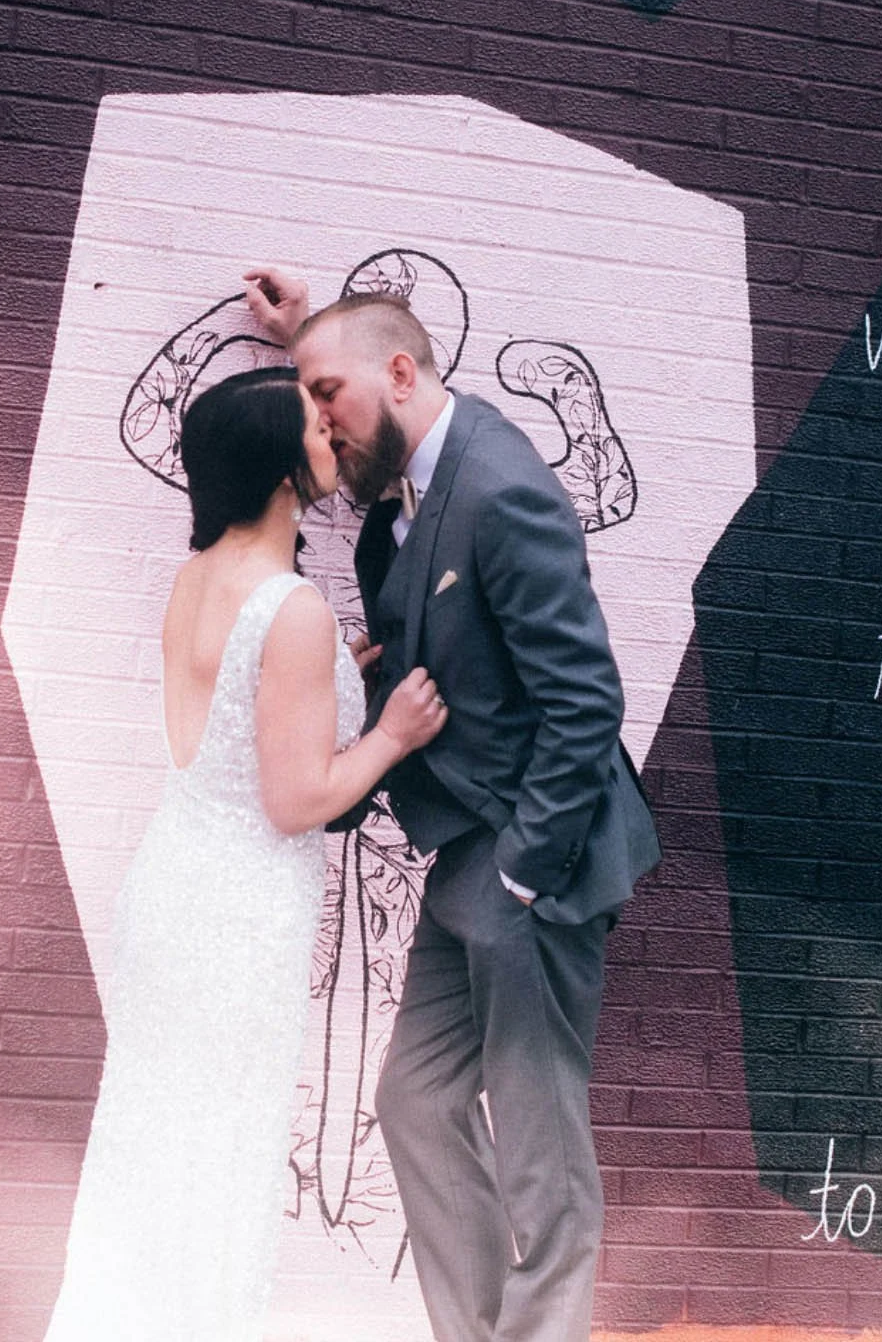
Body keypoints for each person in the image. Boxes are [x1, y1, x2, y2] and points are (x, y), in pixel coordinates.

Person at [244, 268, 661, 1342]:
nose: (320, 422)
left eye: (326, 393)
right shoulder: (418, 469)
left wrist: (526, 868)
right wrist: (303, 340)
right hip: (469, 856)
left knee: (538, 1146)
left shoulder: (500, 485)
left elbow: (586, 700)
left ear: (398, 372)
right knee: (418, 1103)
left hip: (534, 861)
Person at [43, 364, 450, 1342]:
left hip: (175, 882)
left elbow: (242, 718)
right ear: (279, 467)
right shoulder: (292, 609)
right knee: (218, 1162)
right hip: (236, 920)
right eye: (317, 424)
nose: (335, 434)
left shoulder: (203, 576)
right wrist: (389, 732)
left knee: (150, 1155)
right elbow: (297, 799)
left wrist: (330, 692)